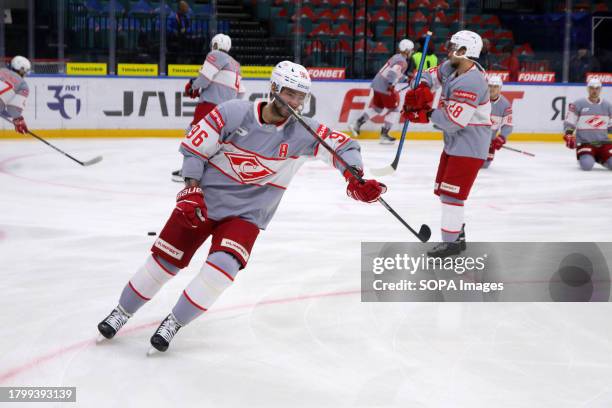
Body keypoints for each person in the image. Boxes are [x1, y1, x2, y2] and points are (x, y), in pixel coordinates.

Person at [97, 61, 387, 353]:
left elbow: (344, 148)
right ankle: (121, 312)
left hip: (248, 214)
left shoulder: (304, 132)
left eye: (302, 96)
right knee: (165, 262)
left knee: (223, 267)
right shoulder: (233, 113)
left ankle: (174, 321)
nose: (296, 102)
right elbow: (194, 150)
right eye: (290, 94)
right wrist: (190, 188)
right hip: (204, 202)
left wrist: (356, 175)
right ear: (273, 88)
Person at [402, 30, 491, 257]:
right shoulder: (452, 68)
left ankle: (451, 244)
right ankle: (457, 237)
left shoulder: (472, 81)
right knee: (445, 192)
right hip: (456, 144)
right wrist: (421, 87)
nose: (448, 50)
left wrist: (426, 112)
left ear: (465, 51)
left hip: (469, 146)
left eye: (454, 47)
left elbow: (454, 121)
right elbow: (427, 74)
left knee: (452, 195)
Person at [172, 33, 244, 181]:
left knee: (194, 136)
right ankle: (212, 172)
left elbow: (204, 79)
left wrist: (193, 85)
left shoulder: (215, 55)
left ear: (214, 45)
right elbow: (241, 92)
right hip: (226, 109)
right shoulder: (236, 65)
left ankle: (188, 172)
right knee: (216, 141)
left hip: (209, 105)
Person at [348, 39, 414, 144]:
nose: (412, 52)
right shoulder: (402, 61)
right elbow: (392, 74)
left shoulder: (396, 57)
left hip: (377, 84)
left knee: (378, 108)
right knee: (393, 110)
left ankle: (356, 124)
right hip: (385, 87)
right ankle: (384, 135)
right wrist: (391, 85)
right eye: (411, 50)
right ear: (406, 50)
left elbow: (396, 73)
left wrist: (407, 79)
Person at [563, 78, 612, 171]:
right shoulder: (578, 104)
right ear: (588, 89)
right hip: (585, 143)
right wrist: (568, 135)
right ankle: (587, 157)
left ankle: (598, 157)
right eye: (592, 88)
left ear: (600, 89)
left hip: (603, 143)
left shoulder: (608, 106)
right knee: (587, 166)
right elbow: (569, 122)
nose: (594, 90)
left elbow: (610, 127)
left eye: (597, 88)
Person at [482, 76, 513, 168]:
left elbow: (508, 124)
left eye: (495, 87)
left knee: (484, 165)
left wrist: (501, 137)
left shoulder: (505, 104)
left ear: (500, 88)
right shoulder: (480, 99)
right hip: (475, 136)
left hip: (490, 139)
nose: (492, 89)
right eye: (490, 86)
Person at [0, 56, 31, 134]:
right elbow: (13, 109)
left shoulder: (1, 70)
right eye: (25, 72)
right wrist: (18, 120)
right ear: (21, 70)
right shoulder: (22, 85)